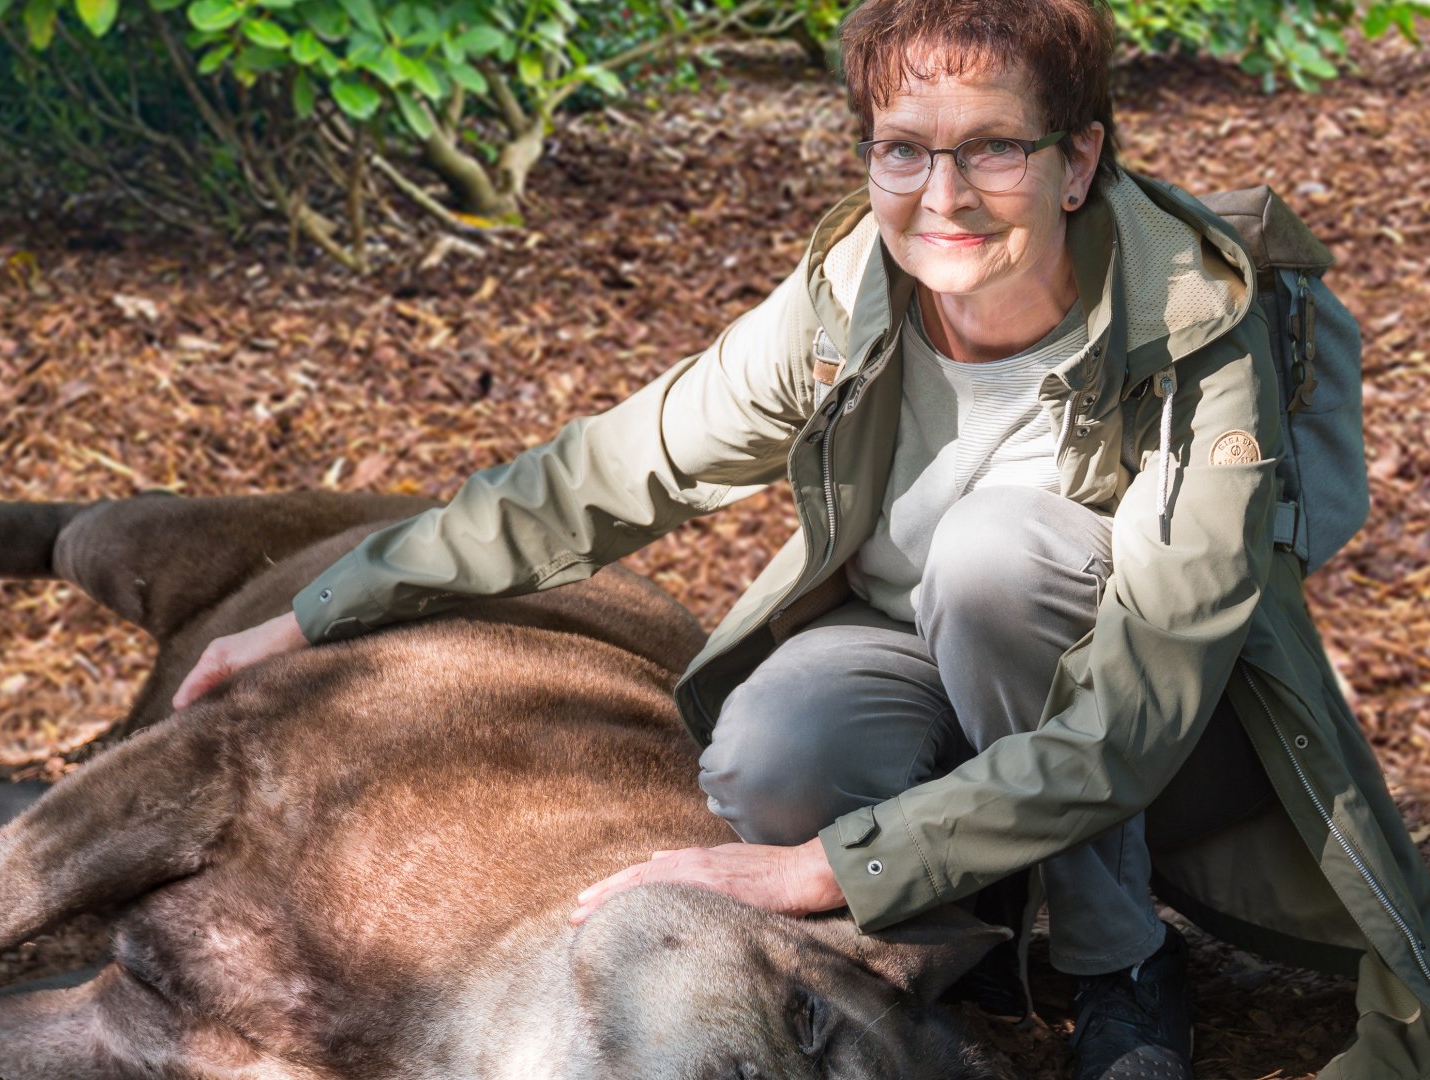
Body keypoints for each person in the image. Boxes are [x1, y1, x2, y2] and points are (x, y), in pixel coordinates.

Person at [171, 1, 1430, 1076]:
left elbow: (1137, 715)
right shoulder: (848, 297)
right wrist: (321, 608)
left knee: (994, 561)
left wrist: (815, 877)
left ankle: (1122, 959)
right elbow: (608, 473)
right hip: (910, 652)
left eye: (994, 148)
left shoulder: (1190, 327)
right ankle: (972, 918)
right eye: (903, 151)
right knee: (772, 749)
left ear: (1078, 157)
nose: (942, 198)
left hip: (1153, 718)